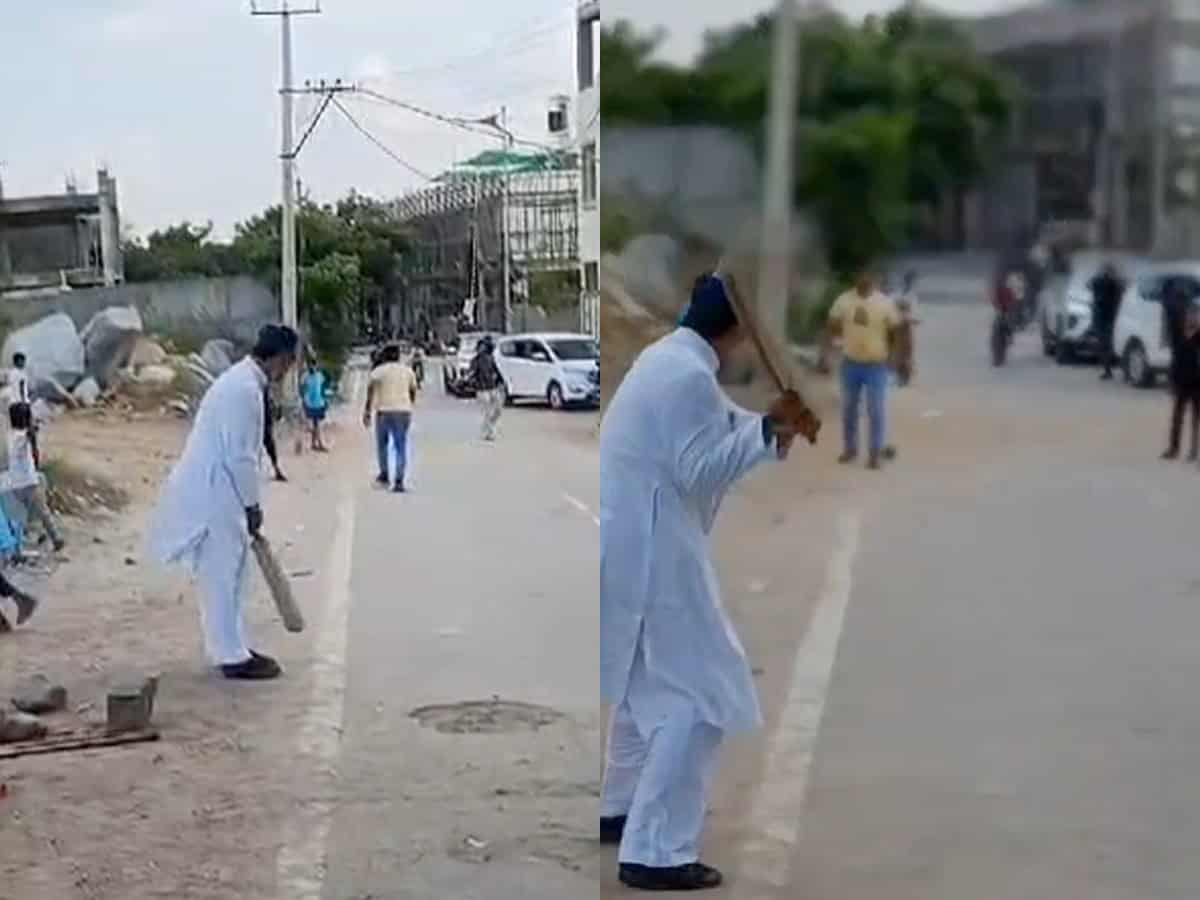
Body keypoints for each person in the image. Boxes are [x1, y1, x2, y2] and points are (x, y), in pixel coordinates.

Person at [600, 272, 818, 892]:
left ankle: (617, 807)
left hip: (636, 543)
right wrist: (767, 429)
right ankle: (656, 850)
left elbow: (725, 425)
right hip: (656, 550)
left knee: (647, 689)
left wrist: (771, 427)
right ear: (735, 332)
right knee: (698, 698)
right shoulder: (688, 376)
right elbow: (699, 469)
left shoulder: (665, 360)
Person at [146, 324, 298, 681]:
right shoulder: (243, 389)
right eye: (290, 362)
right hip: (218, 493)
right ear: (279, 359)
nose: (289, 370)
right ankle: (230, 655)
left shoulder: (243, 383)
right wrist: (252, 506)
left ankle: (236, 646)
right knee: (222, 575)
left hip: (222, 491)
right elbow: (240, 457)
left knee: (234, 575)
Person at [827, 271, 901, 469]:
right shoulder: (844, 301)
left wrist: (893, 356)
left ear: (873, 282)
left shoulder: (884, 303)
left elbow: (894, 330)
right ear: (856, 280)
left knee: (875, 409)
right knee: (849, 408)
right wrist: (836, 341)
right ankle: (850, 449)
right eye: (861, 278)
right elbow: (832, 321)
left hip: (876, 364)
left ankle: (874, 453)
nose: (864, 281)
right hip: (851, 363)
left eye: (868, 279)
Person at [6, 402, 64, 553]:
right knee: (43, 511)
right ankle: (56, 538)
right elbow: (29, 437)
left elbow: (32, 448)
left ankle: (27, 541)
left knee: (22, 516)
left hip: (16, 483)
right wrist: (35, 427)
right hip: (28, 482)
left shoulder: (11, 435)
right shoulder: (21, 437)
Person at [363, 344, 417, 492]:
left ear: (385, 356)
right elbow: (413, 390)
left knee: (382, 444)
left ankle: (384, 475)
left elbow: (370, 389)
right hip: (403, 411)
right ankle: (399, 480)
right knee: (400, 446)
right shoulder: (407, 371)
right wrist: (409, 404)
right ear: (398, 356)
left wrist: (367, 411)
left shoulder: (379, 371)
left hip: (384, 411)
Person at [1161, 277, 1200, 460]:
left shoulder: (1189, 331)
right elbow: (1169, 307)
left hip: (1194, 376)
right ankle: (1178, 448)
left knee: (1192, 416)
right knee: (1180, 415)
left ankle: (1191, 450)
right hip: (1183, 375)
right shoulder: (1177, 327)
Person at [1090, 261, 1126, 380]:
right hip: (1108, 317)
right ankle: (1108, 369)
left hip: (1108, 318)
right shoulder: (1111, 283)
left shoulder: (1102, 283)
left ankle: (1108, 370)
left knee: (1106, 345)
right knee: (1106, 345)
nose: (1107, 273)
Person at [470, 336, 503, 442]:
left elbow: (496, 371)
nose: (482, 348)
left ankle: (487, 426)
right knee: (487, 411)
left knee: (498, 410)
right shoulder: (475, 360)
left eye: (483, 346)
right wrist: (471, 379)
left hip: (492, 387)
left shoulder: (490, 358)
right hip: (482, 389)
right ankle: (489, 433)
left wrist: (500, 381)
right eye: (480, 347)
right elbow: (471, 372)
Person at [892, 269, 919, 387]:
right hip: (898, 326)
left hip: (905, 326)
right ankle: (900, 374)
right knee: (899, 351)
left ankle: (905, 374)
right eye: (908, 281)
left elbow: (914, 313)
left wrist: (913, 319)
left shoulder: (911, 295)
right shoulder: (898, 294)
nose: (909, 284)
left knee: (907, 351)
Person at [299, 361, 329, 452]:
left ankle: (315, 444)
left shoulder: (320, 376)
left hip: (318, 403)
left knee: (317, 424)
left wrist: (325, 401)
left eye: (313, 365)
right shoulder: (306, 376)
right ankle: (318, 444)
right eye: (310, 366)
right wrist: (303, 400)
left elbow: (323, 389)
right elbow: (301, 388)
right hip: (310, 403)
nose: (312, 367)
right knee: (314, 425)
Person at [262, 389, 287, 482]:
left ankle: (277, 470)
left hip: (264, 424)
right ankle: (277, 470)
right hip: (263, 424)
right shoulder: (265, 391)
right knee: (270, 448)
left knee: (270, 448)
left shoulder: (264, 391)